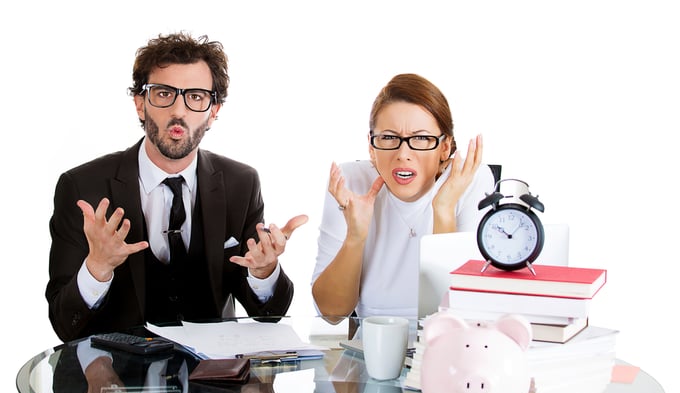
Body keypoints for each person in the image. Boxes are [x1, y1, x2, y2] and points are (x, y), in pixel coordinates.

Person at [46, 32, 308, 342]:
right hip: (116, 379)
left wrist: (263, 272)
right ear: (140, 103)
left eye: (195, 96)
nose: (179, 111)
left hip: (212, 382)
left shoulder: (241, 183)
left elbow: (268, 316)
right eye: (163, 93)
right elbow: (65, 326)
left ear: (213, 111)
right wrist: (97, 268)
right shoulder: (82, 188)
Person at [311, 73, 494, 320]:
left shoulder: (468, 178)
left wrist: (444, 208)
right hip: (373, 346)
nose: (403, 153)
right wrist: (355, 236)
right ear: (371, 147)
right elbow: (331, 313)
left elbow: (459, 313)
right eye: (388, 138)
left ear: (445, 147)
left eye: (421, 138)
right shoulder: (351, 182)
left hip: (447, 346)